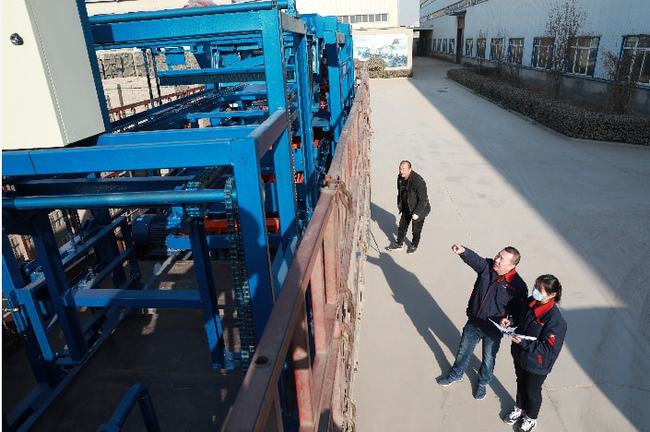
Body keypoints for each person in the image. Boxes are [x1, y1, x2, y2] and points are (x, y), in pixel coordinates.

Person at [436, 244, 527, 400]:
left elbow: (520, 314)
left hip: (493, 331)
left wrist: (510, 321)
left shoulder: (518, 287)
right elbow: (476, 260)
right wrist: (463, 252)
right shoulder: (487, 267)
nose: (496, 259)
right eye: (498, 255)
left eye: (501, 259)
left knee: (488, 360)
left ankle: (483, 383)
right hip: (474, 322)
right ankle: (457, 374)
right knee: (463, 351)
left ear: (511, 265)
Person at [501, 274, 567, 432]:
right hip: (520, 355)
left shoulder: (556, 321)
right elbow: (521, 318)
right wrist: (511, 321)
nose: (535, 291)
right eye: (535, 286)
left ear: (552, 295)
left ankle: (531, 418)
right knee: (520, 383)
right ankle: (520, 408)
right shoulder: (530, 302)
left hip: (537, 364)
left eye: (540, 290)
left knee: (532, 392)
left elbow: (549, 350)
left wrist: (523, 343)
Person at [385, 160, 431, 254]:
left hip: (419, 209)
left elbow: (423, 200)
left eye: (404, 169)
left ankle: (414, 245)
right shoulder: (400, 177)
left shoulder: (418, 181)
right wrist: (401, 204)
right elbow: (400, 192)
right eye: (400, 169)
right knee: (402, 226)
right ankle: (399, 244)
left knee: (416, 230)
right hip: (407, 206)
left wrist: (417, 213)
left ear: (410, 169)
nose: (401, 171)